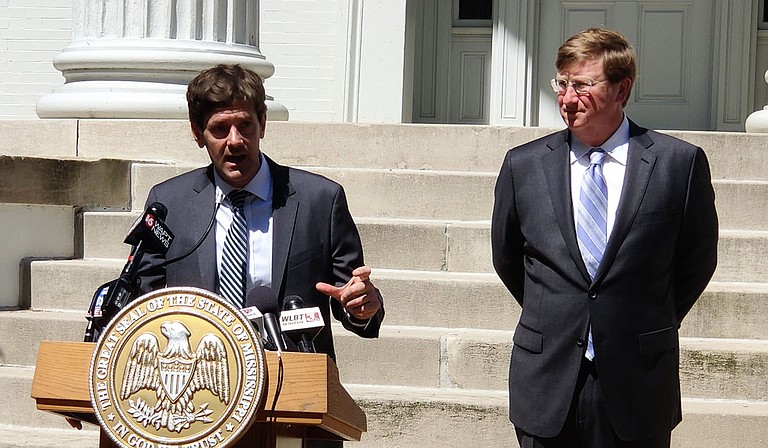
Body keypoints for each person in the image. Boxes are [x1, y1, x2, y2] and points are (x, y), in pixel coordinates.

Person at [491, 28, 718, 448]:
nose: (567, 97)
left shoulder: (677, 164)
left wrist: (642, 316)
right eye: (561, 83)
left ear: (621, 89)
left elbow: (696, 259)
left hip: (638, 380)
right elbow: (507, 257)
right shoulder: (523, 166)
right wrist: (561, 310)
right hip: (548, 377)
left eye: (582, 85)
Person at [136, 63, 384, 364]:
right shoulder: (169, 203)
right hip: (198, 379)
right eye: (219, 129)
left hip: (292, 379)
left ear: (263, 124)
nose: (235, 140)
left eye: (245, 125)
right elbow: (138, 302)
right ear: (197, 133)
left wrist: (361, 306)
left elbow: (352, 297)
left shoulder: (320, 200)